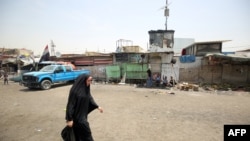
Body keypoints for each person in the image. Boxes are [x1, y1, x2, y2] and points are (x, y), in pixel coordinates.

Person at [65, 74, 103, 141]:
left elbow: (89, 98)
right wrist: (69, 119)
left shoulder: (86, 89)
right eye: (89, 80)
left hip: (83, 115)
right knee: (87, 133)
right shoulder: (75, 91)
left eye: (91, 80)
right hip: (77, 117)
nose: (90, 82)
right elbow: (70, 105)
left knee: (79, 134)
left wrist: (97, 106)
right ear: (83, 80)